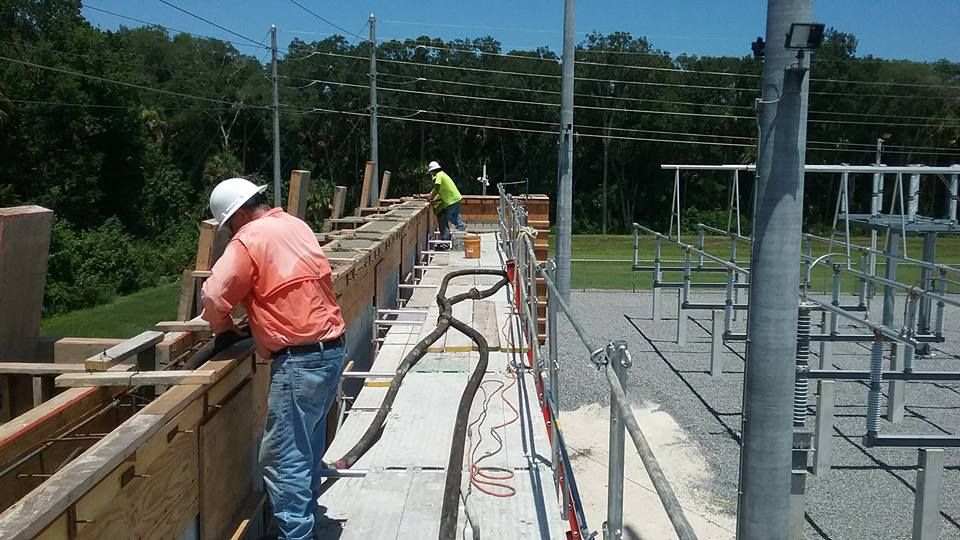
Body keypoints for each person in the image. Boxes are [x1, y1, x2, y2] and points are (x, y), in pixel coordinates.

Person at [200, 177, 346, 540]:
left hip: (300, 359)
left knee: (283, 459)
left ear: (238, 216)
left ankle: (297, 535)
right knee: (306, 447)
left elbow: (215, 295)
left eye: (230, 225)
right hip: (331, 349)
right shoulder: (294, 224)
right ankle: (306, 519)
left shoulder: (249, 238)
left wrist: (223, 329)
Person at [421, 160, 465, 245]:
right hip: (455, 198)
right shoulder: (443, 174)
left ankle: (460, 226)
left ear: (433, 171)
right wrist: (427, 197)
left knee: (448, 216)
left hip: (452, 200)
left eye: (431, 172)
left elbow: (436, 188)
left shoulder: (439, 175)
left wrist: (431, 198)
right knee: (455, 215)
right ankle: (460, 226)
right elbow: (434, 192)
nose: (431, 174)